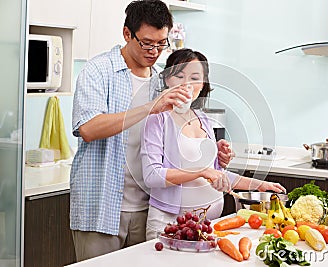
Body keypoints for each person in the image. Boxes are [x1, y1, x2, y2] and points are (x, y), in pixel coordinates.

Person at [70, 0, 232, 261]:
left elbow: (174, 147)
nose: (154, 51)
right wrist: (149, 107)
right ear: (127, 34)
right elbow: (88, 128)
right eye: (147, 43)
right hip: (102, 206)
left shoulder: (163, 79)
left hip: (152, 208)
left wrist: (214, 156)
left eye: (161, 43)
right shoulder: (98, 71)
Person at [141, 48, 286, 240]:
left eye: (194, 78)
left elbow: (216, 175)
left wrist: (258, 185)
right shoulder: (156, 120)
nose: (186, 84)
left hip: (207, 227)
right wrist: (201, 171)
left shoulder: (203, 119)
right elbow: (152, 176)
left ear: (202, 84)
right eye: (179, 76)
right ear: (168, 79)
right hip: (169, 225)